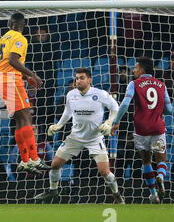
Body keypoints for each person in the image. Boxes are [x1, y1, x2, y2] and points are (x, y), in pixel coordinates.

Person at [35, 67, 124, 204]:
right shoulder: (71, 95)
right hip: (75, 137)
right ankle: (53, 191)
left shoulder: (100, 94)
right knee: (55, 165)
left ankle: (117, 194)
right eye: (77, 78)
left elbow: (115, 108)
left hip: (95, 138)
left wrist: (108, 122)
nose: (78, 81)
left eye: (81, 78)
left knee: (104, 171)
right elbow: (68, 112)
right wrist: (58, 125)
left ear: (89, 80)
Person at [111, 57, 173, 203]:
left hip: (141, 130)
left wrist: (116, 122)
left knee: (146, 161)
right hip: (158, 128)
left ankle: (153, 194)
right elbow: (169, 110)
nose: (133, 70)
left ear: (143, 70)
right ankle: (161, 177)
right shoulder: (161, 85)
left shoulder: (134, 84)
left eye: (136, 67)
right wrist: (158, 110)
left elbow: (125, 104)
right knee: (161, 160)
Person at [0, 12, 50, 175]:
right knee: (26, 117)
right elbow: (12, 60)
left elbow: (6, 63)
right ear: (23, 25)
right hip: (10, 80)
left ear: (10, 24)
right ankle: (34, 158)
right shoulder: (20, 39)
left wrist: (25, 76)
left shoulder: (3, 38)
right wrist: (32, 75)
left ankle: (25, 161)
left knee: (20, 119)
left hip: (3, 79)